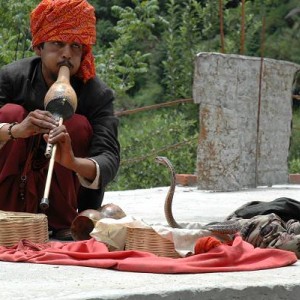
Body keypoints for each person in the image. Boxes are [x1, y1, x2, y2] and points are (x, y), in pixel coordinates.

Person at [0, 0, 120, 239]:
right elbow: (11, 126)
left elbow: (109, 158)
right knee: (9, 113)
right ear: (39, 47)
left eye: (76, 46)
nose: (67, 54)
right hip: (8, 201)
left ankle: (61, 220)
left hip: (64, 212)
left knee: (75, 125)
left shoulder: (97, 94)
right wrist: (15, 130)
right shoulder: (11, 78)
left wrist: (73, 161)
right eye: (58, 44)